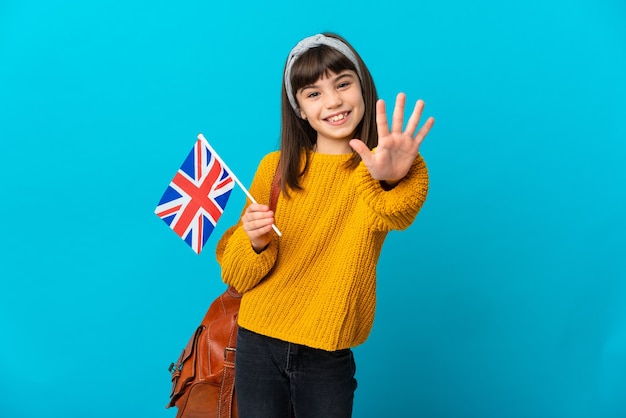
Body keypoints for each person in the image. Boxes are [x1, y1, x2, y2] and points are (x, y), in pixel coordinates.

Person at [215, 32, 434, 418]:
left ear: (362, 87)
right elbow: (235, 274)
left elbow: (395, 212)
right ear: (298, 109)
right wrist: (255, 242)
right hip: (257, 342)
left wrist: (392, 176)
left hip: (326, 353)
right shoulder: (276, 168)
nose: (333, 101)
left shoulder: (375, 174)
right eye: (313, 93)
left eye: (343, 84)